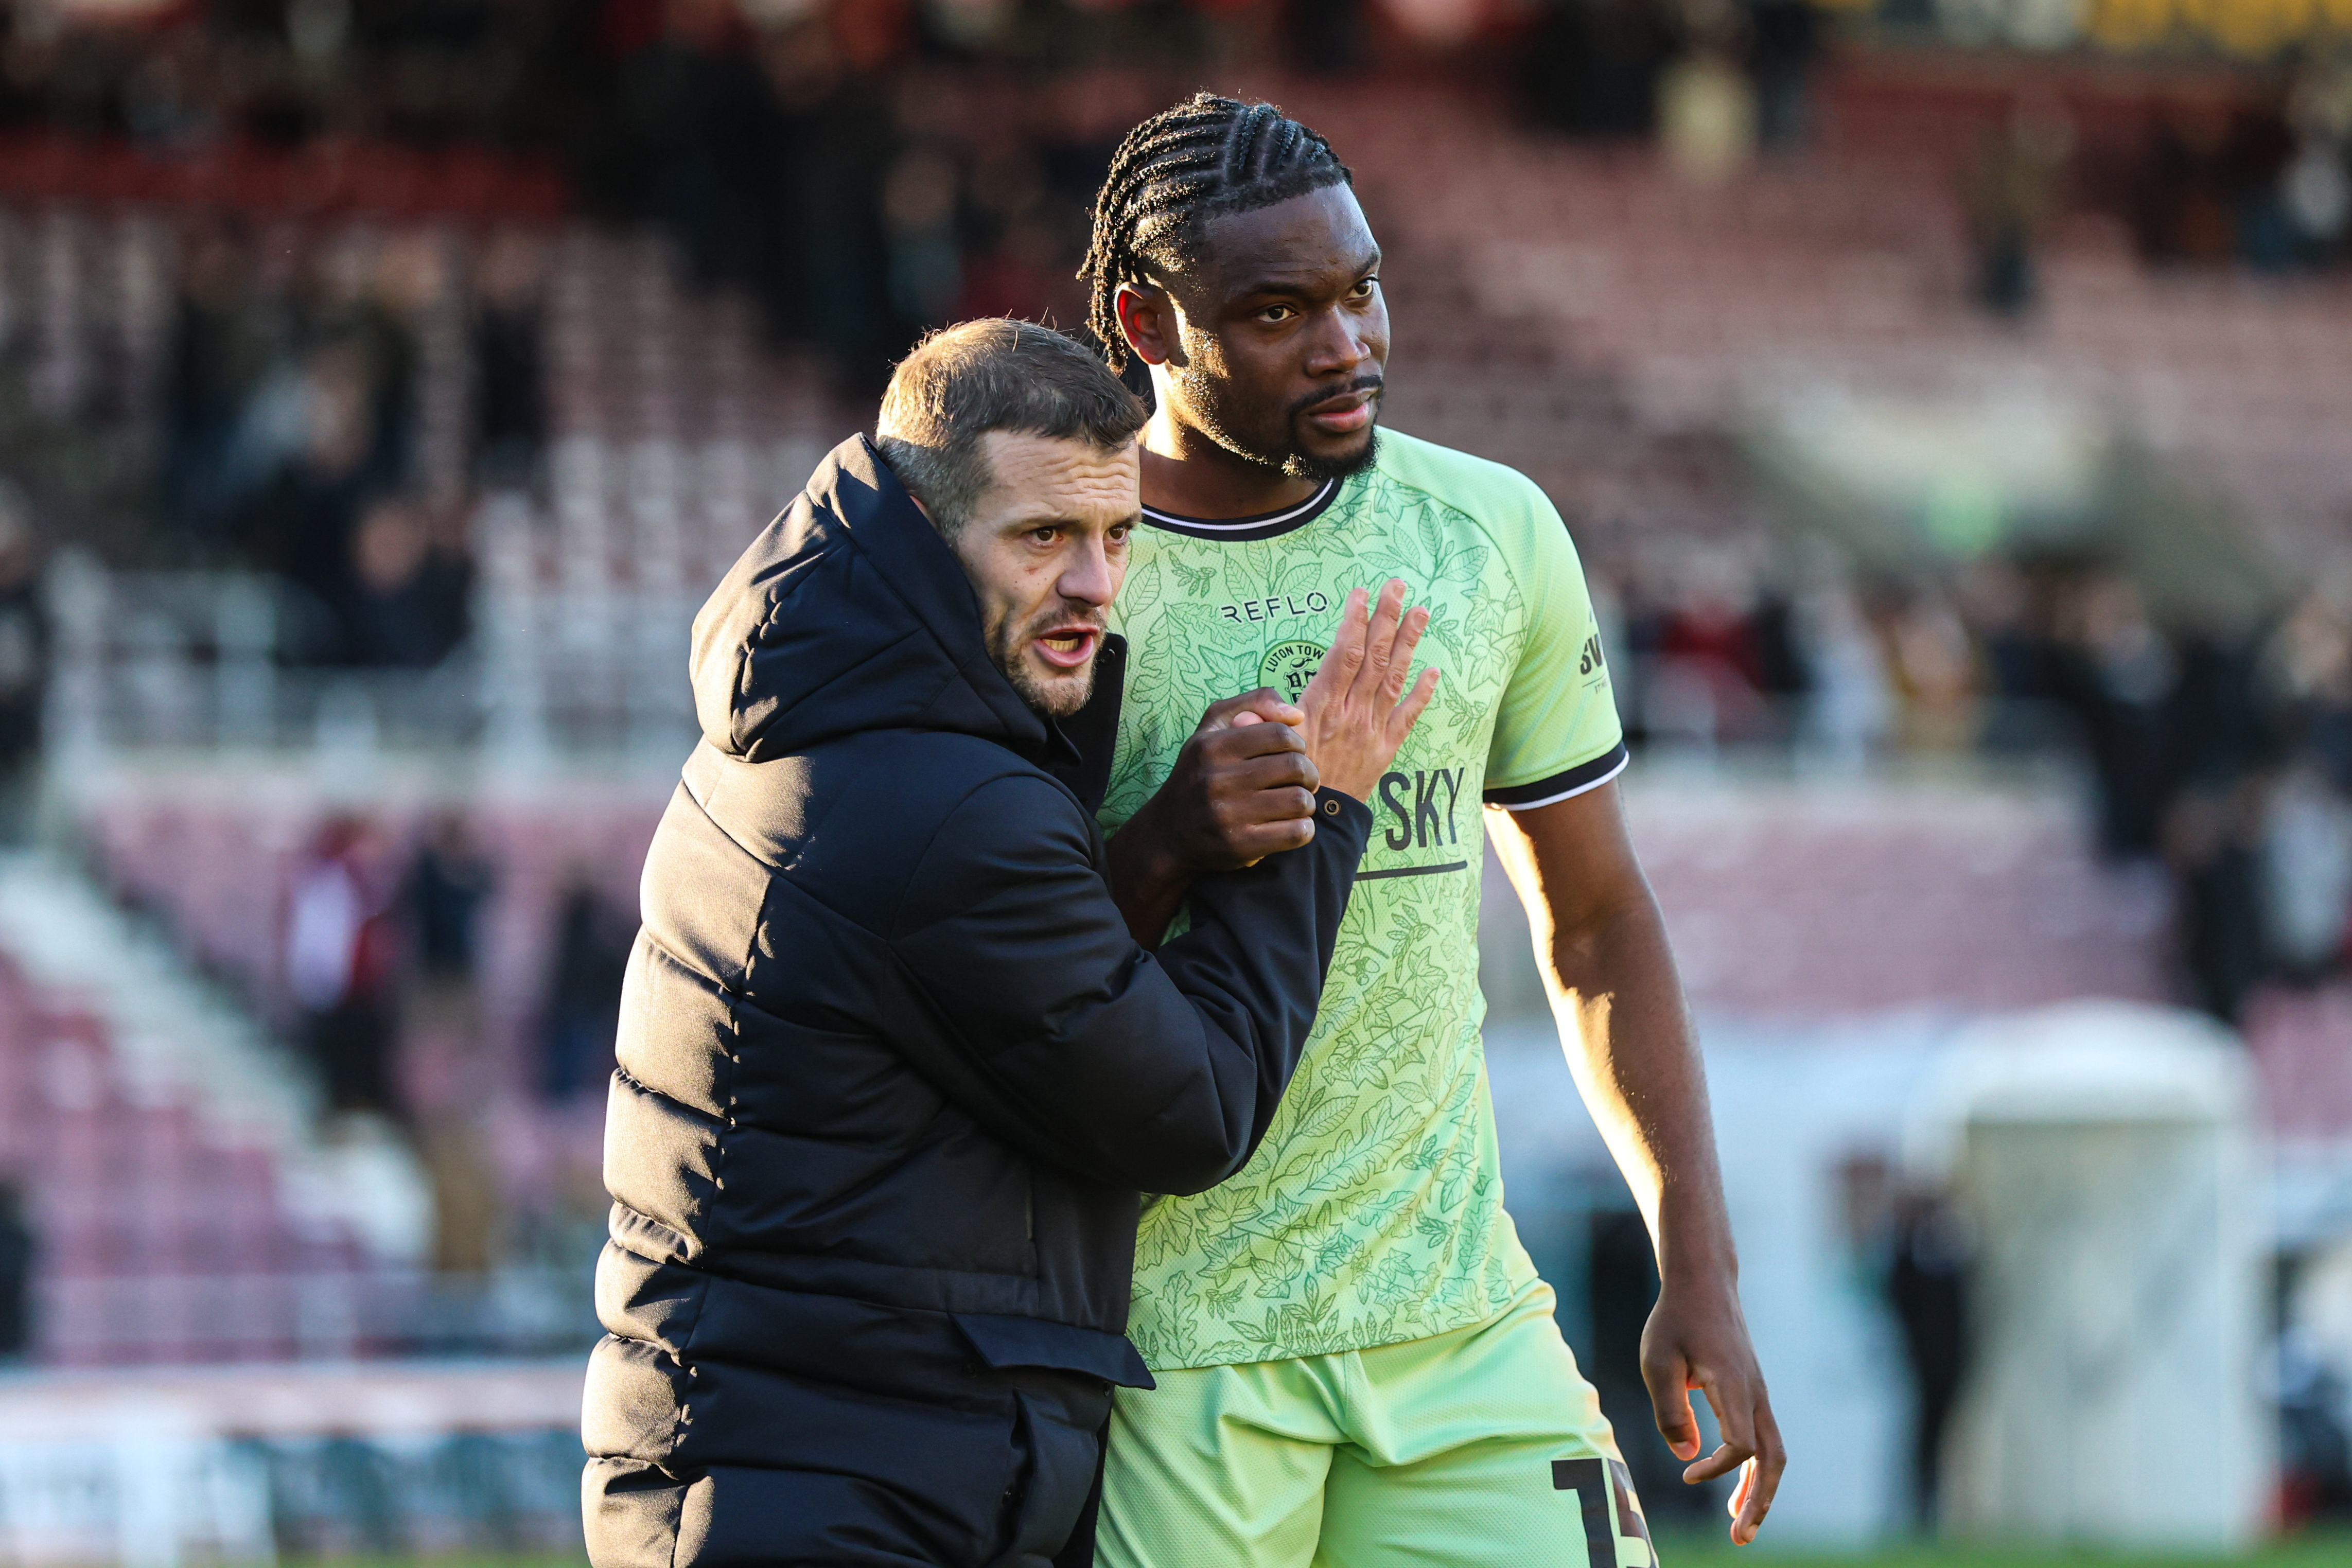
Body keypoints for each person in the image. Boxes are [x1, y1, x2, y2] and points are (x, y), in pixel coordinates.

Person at [580, 319, 1438, 1567]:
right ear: (927, 537)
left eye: (1116, 536)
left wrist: (1157, 848)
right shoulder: (948, 806)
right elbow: (1189, 1107)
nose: (1093, 582)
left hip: (792, 1473)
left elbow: (995, 1017)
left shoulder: (821, 720)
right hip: (842, 1498)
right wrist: (1322, 815)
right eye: (1041, 538)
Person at [1079, 94, 1786, 1564]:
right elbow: (988, 949)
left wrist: (1695, 1263)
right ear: (1149, 325)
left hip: (1459, 1321)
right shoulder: (1068, 562)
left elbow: (1594, 921)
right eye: (1278, 312)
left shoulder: (1491, 535)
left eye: (1360, 290)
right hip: (1164, 1345)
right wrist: (1158, 845)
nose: (1346, 345)